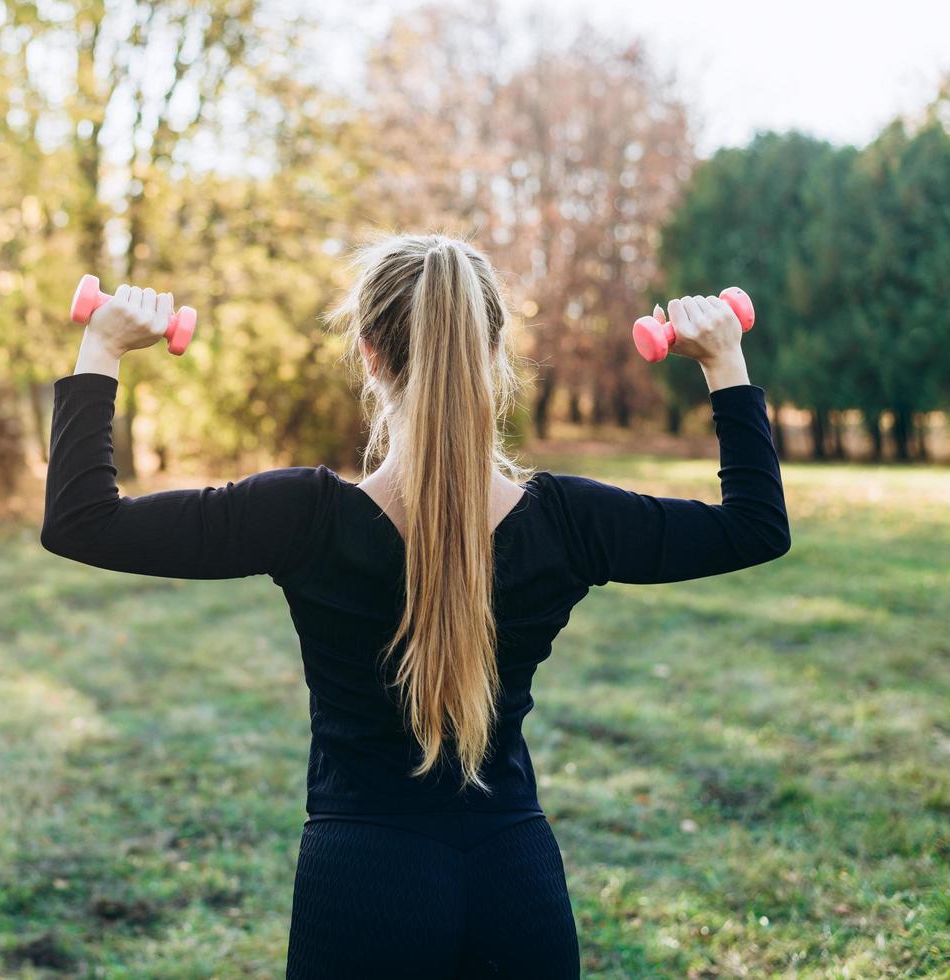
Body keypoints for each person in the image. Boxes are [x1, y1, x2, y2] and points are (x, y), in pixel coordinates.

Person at [40, 234, 790, 978]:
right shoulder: (568, 524)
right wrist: (725, 362)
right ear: (493, 354)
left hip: (362, 888)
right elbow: (754, 526)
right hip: (514, 885)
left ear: (369, 354)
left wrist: (102, 345)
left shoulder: (303, 518)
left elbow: (82, 520)